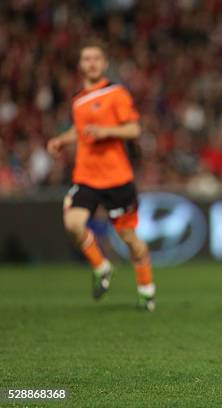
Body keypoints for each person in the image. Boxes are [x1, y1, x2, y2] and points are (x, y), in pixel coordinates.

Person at [47, 42, 155, 311]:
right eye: (86, 59)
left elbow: (133, 129)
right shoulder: (79, 99)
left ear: (104, 63)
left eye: (96, 58)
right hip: (86, 177)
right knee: (73, 223)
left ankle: (146, 288)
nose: (91, 63)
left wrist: (107, 132)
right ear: (81, 65)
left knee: (129, 239)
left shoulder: (116, 93)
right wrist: (63, 139)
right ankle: (102, 265)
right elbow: (81, 130)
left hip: (117, 178)